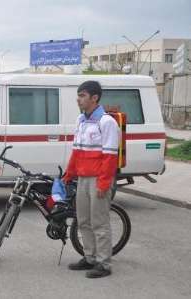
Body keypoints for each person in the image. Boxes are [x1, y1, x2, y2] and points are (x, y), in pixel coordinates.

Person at [63, 81, 120, 278]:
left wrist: (104, 183)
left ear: (94, 98)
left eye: (82, 95)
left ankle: (104, 264)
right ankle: (90, 258)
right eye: (78, 95)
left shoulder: (107, 122)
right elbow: (77, 151)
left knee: (99, 222)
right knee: (84, 221)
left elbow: (110, 157)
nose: (78, 99)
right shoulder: (81, 120)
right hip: (83, 178)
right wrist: (69, 173)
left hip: (98, 179)